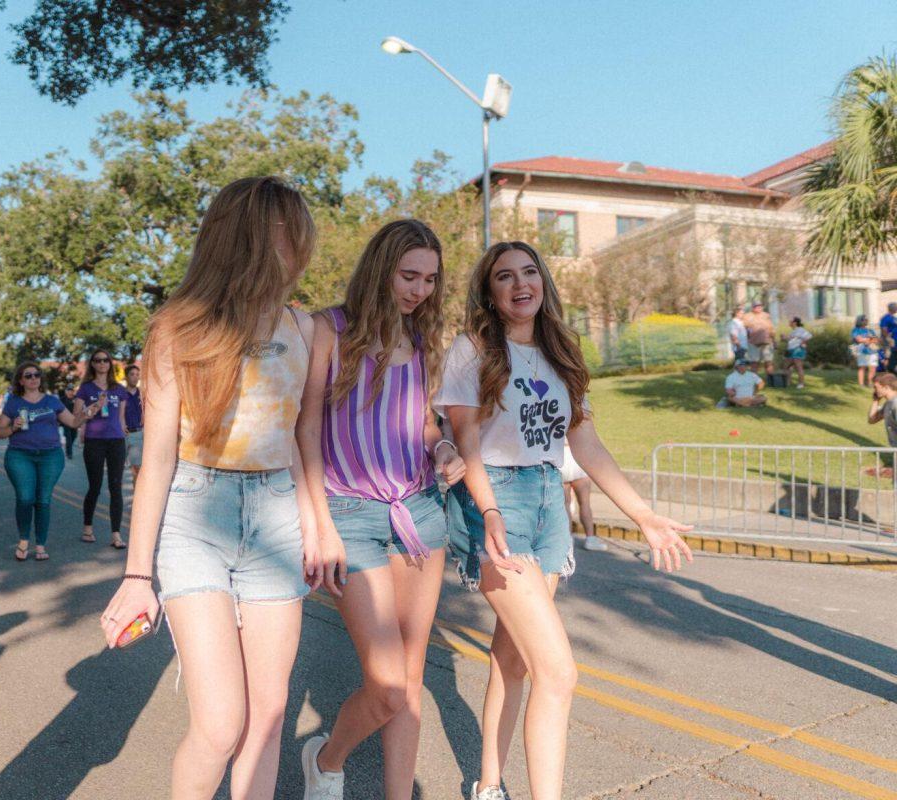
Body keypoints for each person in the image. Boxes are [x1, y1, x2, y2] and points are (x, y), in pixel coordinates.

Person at [436, 240, 692, 800]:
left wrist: (643, 514)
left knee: (514, 660)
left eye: (530, 272)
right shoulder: (471, 348)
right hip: (492, 501)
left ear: (544, 283)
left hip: (549, 501)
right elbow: (467, 441)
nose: (520, 283)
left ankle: (487, 786)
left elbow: (586, 441)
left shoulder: (561, 349)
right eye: (505, 276)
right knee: (559, 672)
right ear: (490, 293)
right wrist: (490, 510)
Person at [99, 177, 321, 800]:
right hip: (196, 516)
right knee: (222, 723)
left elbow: (307, 437)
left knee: (268, 717)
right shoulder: (179, 328)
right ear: (249, 238)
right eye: (288, 231)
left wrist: (319, 527)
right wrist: (137, 576)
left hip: (279, 515)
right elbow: (158, 460)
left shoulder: (305, 329)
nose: (299, 246)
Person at [295, 219, 467, 798]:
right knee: (388, 683)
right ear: (380, 269)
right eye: (408, 275)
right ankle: (326, 757)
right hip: (349, 515)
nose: (419, 291)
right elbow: (306, 429)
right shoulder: (328, 329)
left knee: (412, 678)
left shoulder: (421, 340)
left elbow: (423, 423)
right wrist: (318, 523)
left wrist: (443, 445)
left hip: (419, 513)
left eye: (429, 280)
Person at [0, 361, 87, 561]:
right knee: (26, 498)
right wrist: (13, 428)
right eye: (28, 375)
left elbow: (72, 422)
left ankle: (40, 545)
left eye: (36, 375)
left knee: (43, 499)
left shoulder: (52, 401)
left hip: (50, 456)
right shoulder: (14, 402)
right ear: (21, 380)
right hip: (20, 455)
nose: (33, 378)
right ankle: (23, 541)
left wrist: (88, 413)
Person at [78, 351, 130, 547]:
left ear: (110, 364)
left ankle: (116, 534)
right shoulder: (85, 389)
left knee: (115, 488)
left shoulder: (118, 389)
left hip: (116, 441)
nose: (102, 363)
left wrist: (124, 429)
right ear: (92, 364)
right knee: (95, 486)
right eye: (97, 360)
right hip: (95, 441)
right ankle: (87, 527)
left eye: (105, 360)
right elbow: (78, 415)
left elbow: (121, 416)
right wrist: (96, 407)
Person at [561, 443, 606, 552]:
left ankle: (568, 539)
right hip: (577, 459)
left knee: (565, 504)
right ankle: (590, 538)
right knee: (584, 503)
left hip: (562, 460)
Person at [124, 364, 144, 486]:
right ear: (126, 377)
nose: (135, 377)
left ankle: (137, 499)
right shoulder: (120, 394)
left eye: (137, 375)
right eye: (132, 374)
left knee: (136, 469)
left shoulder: (142, 394)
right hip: (121, 435)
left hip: (137, 434)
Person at [743, 301, 775, 376]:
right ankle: (754, 381)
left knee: (769, 362)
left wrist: (774, 340)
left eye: (760, 306)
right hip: (753, 343)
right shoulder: (747, 316)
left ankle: (771, 381)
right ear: (753, 307)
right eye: (756, 306)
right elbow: (745, 328)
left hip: (767, 342)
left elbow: (771, 328)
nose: (758, 308)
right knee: (754, 363)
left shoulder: (766, 315)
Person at [852, 315, 880, 387]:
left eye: (867, 320)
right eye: (864, 320)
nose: (866, 321)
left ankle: (870, 383)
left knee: (873, 367)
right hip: (862, 351)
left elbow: (876, 340)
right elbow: (858, 339)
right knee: (862, 367)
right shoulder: (856, 330)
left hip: (872, 351)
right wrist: (869, 339)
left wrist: (866, 340)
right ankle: (861, 384)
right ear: (860, 321)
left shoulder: (870, 330)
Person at [785, 317, 812, 390]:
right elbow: (792, 340)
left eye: (790, 321)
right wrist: (784, 338)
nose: (789, 323)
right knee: (788, 366)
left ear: (795, 323)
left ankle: (801, 384)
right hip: (790, 350)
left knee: (798, 367)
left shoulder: (801, 330)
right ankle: (787, 382)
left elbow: (809, 336)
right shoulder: (793, 331)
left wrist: (803, 343)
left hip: (798, 349)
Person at [58, 383, 79, 459]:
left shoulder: (77, 399)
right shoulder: (62, 399)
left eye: (72, 390)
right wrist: (58, 421)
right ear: (66, 391)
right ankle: (69, 453)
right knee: (68, 437)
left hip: (75, 421)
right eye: (69, 390)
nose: (70, 392)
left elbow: (80, 409)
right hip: (65, 421)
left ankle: (68, 447)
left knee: (74, 436)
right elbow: (58, 411)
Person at [879, 303, 897, 373]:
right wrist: (888, 338)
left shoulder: (894, 318)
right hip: (889, 341)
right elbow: (884, 329)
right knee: (887, 356)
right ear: (891, 308)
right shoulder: (886, 318)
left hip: (895, 341)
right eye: (896, 307)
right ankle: (886, 373)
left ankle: (891, 372)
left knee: (893, 356)